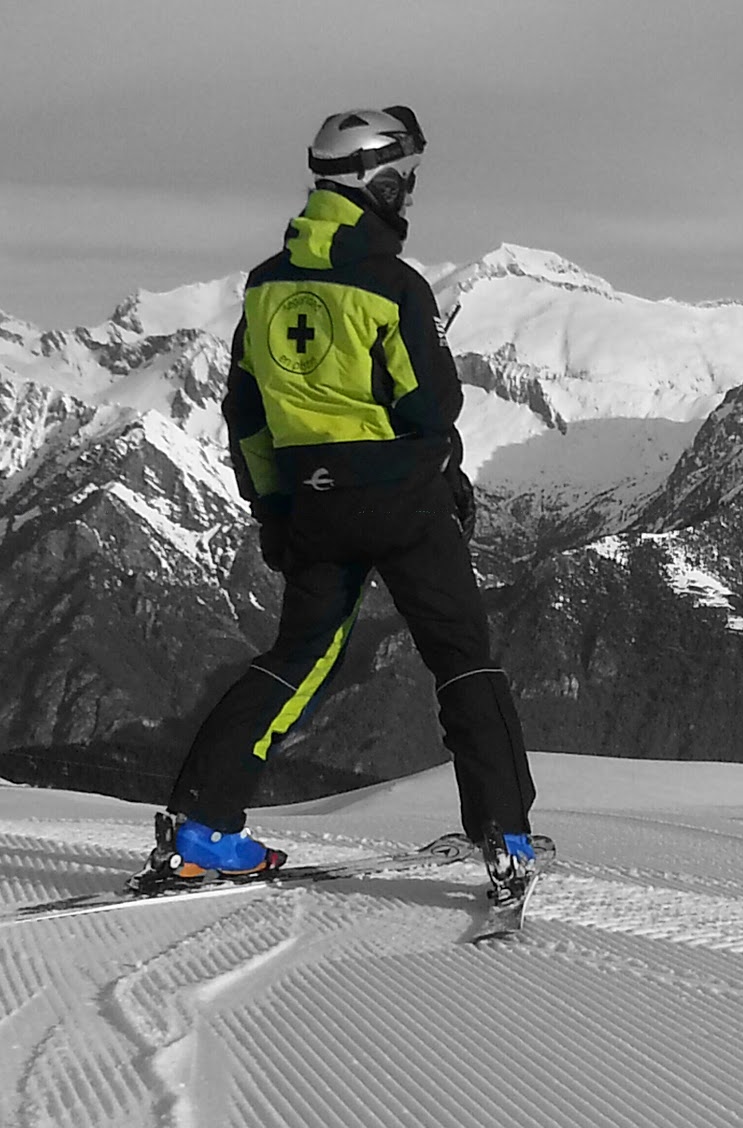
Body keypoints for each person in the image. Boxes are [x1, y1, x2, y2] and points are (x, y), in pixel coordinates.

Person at [133, 106, 538, 902]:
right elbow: (430, 407)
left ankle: (200, 826)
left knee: (298, 657)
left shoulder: (265, 287)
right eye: (405, 181)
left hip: (311, 500)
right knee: (461, 656)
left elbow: (246, 415)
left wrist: (273, 510)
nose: (410, 196)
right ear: (377, 185)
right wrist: (444, 472)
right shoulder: (394, 286)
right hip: (402, 498)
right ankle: (504, 834)